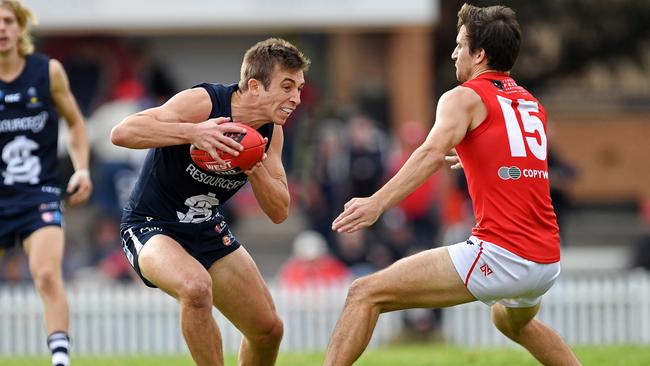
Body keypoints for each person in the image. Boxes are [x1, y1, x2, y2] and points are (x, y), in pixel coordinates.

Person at [325, 4, 581, 366]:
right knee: (509, 321)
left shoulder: (462, 97)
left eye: (460, 44)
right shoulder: (529, 103)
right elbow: (519, 162)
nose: (453, 52)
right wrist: (478, 160)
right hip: (546, 261)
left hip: (502, 255)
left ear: (479, 54)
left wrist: (376, 203)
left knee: (364, 293)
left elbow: (430, 153)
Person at [111, 37, 310, 366]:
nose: (296, 98)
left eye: (300, 88)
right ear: (255, 86)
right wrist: (193, 132)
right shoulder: (205, 101)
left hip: (205, 225)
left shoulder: (272, 132)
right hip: (150, 225)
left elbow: (279, 211)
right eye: (287, 86)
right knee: (195, 287)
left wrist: (254, 164)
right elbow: (123, 132)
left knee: (268, 330)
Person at [0, 1, 93, 366]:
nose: (2, 29)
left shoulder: (47, 72)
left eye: (8, 21)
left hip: (39, 192)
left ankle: (59, 359)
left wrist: (82, 168)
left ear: (21, 28)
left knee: (45, 274)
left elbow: (75, 123)